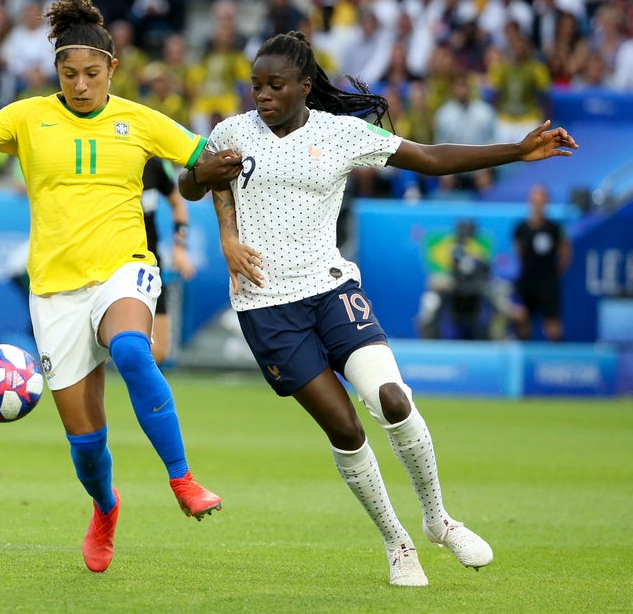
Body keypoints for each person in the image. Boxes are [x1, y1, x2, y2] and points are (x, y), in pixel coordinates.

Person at [178, 31, 578, 587]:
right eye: (256, 87)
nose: (262, 96)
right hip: (267, 306)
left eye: (275, 85)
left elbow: (431, 158)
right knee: (344, 429)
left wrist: (517, 150)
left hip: (331, 287)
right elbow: (195, 182)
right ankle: (398, 543)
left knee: (391, 398)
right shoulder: (232, 131)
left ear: (305, 86)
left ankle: (439, 519)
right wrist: (209, 197)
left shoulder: (341, 132)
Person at [0, 0, 239, 574]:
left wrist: (222, 206)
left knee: (133, 351)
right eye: (69, 74)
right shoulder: (30, 117)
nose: (81, 84)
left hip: (124, 269)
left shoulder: (140, 121)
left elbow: (205, 161)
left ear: (112, 70)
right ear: (56, 72)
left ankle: (183, 479)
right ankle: (105, 508)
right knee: (86, 441)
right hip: (55, 292)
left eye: (92, 73)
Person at [141, 157, 195, 365]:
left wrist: (179, 247)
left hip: (149, 262)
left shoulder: (155, 164)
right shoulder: (105, 156)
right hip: (111, 263)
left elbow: (177, 204)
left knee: (159, 351)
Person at [512, 184, 572, 341]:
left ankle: (557, 362)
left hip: (548, 282)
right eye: (535, 199)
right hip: (527, 281)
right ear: (530, 201)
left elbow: (565, 253)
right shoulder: (520, 228)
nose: (538, 204)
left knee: (553, 326)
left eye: (541, 200)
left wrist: (554, 273)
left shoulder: (555, 228)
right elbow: (519, 253)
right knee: (523, 322)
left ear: (547, 202)